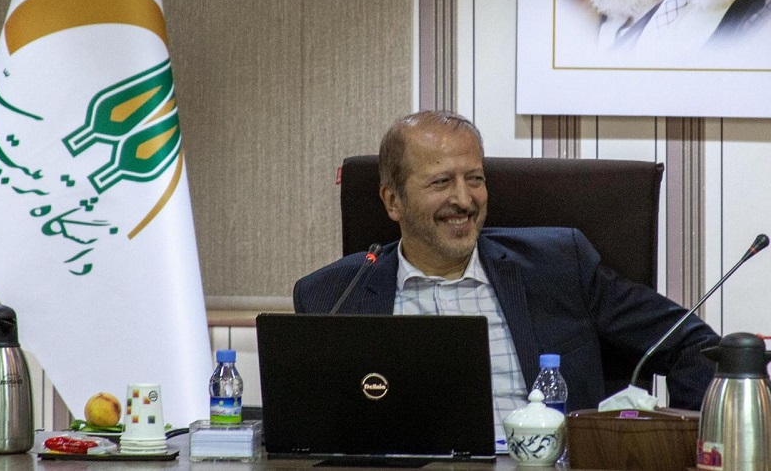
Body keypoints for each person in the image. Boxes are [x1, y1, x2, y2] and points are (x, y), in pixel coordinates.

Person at [293, 110, 719, 442]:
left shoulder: (558, 265)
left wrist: (687, 446)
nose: (464, 200)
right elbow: (313, 429)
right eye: (441, 182)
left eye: (474, 179)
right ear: (393, 201)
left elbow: (694, 345)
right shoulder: (333, 294)